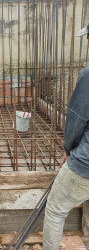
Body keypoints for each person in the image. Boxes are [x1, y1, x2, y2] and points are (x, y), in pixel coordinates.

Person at [43, 21, 89, 249]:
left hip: (85, 164)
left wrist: (68, 151)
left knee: (54, 210)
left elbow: (75, 121)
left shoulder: (88, 75)